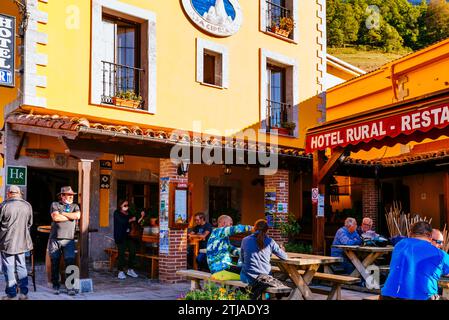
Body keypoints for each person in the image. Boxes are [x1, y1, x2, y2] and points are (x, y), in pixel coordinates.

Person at [381, 221, 449, 300]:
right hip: (421, 297)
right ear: (430, 236)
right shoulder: (440, 254)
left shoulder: (399, 245)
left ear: (410, 234)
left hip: (388, 295)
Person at [0, 186, 33, 300]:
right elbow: (29, 224)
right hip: (22, 241)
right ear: (19, 193)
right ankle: (23, 293)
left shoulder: (4, 205)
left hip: (7, 242)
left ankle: (11, 294)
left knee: (8, 267)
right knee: (22, 266)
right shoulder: (27, 205)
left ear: (9, 193)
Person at [48, 186, 81, 295]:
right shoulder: (55, 204)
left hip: (69, 239)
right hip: (55, 239)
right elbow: (56, 218)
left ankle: (70, 287)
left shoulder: (75, 206)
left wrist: (63, 214)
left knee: (71, 262)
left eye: (72, 195)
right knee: (55, 263)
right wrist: (70, 217)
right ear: (62, 196)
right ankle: (55, 286)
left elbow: (77, 215)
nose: (71, 197)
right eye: (68, 195)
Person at [240, 219, 288, 285]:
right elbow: (285, 257)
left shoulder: (245, 240)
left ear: (254, 228)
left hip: (246, 277)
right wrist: (282, 250)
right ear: (267, 230)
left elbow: (242, 259)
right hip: (264, 278)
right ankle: (267, 295)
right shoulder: (270, 241)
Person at [206, 215, 253, 280]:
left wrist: (242, 252)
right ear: (223, 223)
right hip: (222, 269)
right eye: (230, 224)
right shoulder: (218, 231)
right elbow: (236, 229)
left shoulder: (221, 236)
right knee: (251, 274)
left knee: (248, 271)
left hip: (221, 269)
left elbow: (230, 249)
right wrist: (253, 228)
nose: (231, 226)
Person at [113, 200, 142, 280]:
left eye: (127, 205)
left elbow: (135, 219)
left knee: (133, 251)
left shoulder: (129, 212)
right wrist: (130, 220)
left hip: (130, 235)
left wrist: (141, 216)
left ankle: (130, 269)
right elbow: (122, 221)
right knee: (121, 253)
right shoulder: (117, 213)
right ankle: (120, 271)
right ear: (120, 206)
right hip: (121, 236)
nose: (127, 207)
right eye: (125, 205)